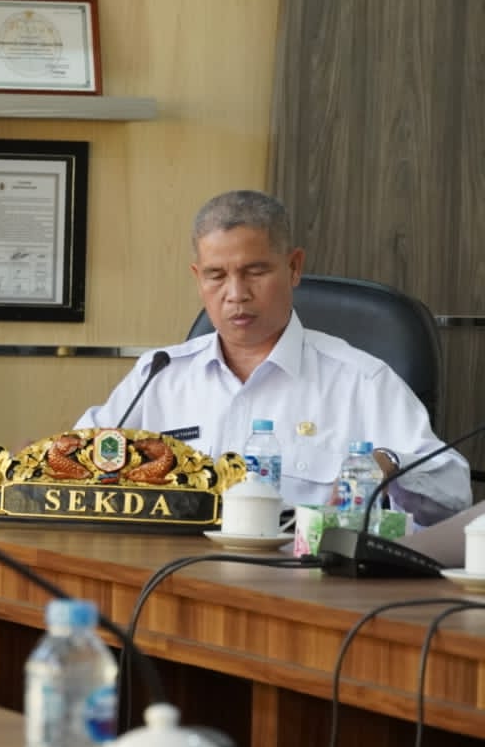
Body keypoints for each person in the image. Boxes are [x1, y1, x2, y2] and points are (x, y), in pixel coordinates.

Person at [75, 190, 469, 524]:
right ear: (198, 277)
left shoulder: (360, 380)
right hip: (171, 572)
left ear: (294, 267)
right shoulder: (160, 374)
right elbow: (77, 463)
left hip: (301, 577)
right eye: (216, 275)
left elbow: (453, 490)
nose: (236, 294)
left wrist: (388, 463)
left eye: (255, 272)